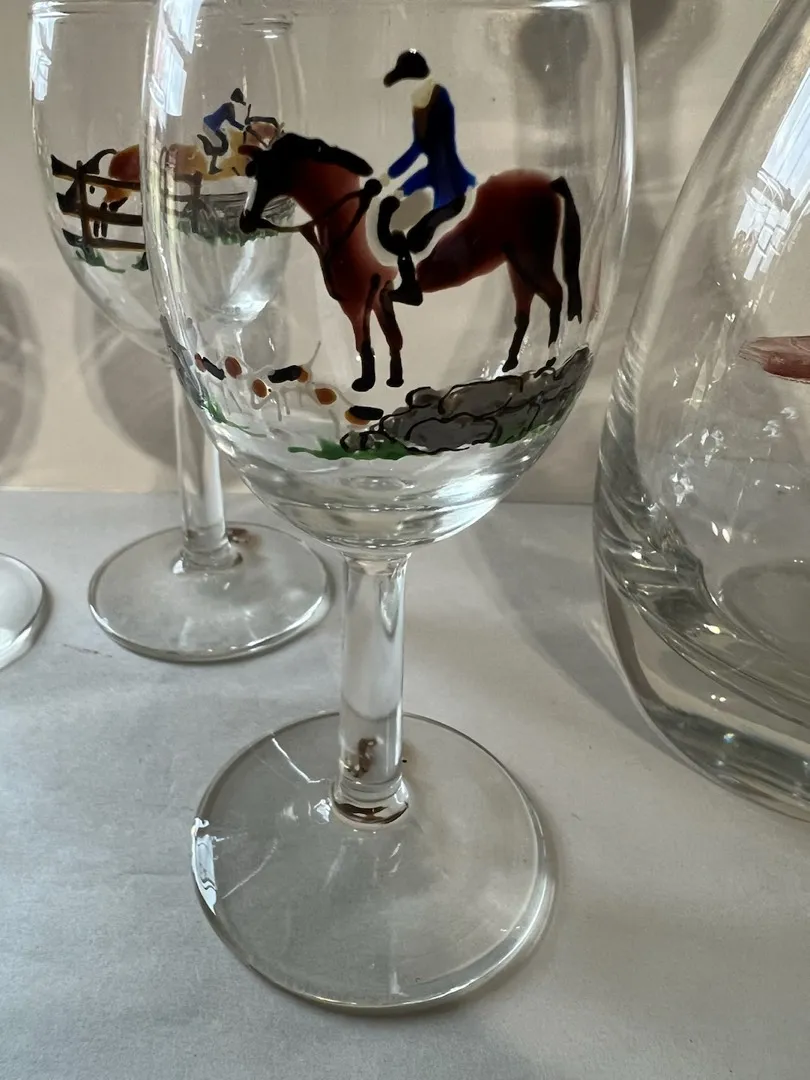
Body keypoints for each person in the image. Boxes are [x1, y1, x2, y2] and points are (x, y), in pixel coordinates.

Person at [380, 50, 476, 253]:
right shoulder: (421, 107)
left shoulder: (439, 101)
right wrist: (391, 180)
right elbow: (417, 149)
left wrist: (401, 189)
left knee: (418, 238)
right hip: (442, 188)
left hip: (453, 193)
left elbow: (438, 163)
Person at [199, 89, 246, 175]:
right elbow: (232, 122)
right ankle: (207, 147)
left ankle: (212, 163)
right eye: (240, 103)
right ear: (237, 102)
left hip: (213, 125)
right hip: (209, 126)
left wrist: (243, 128)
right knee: (219, 146)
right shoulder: (229, 108)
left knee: (224, 144)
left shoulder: (228, 106)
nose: (240, 106)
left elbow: (228, 120)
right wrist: (244, 128)